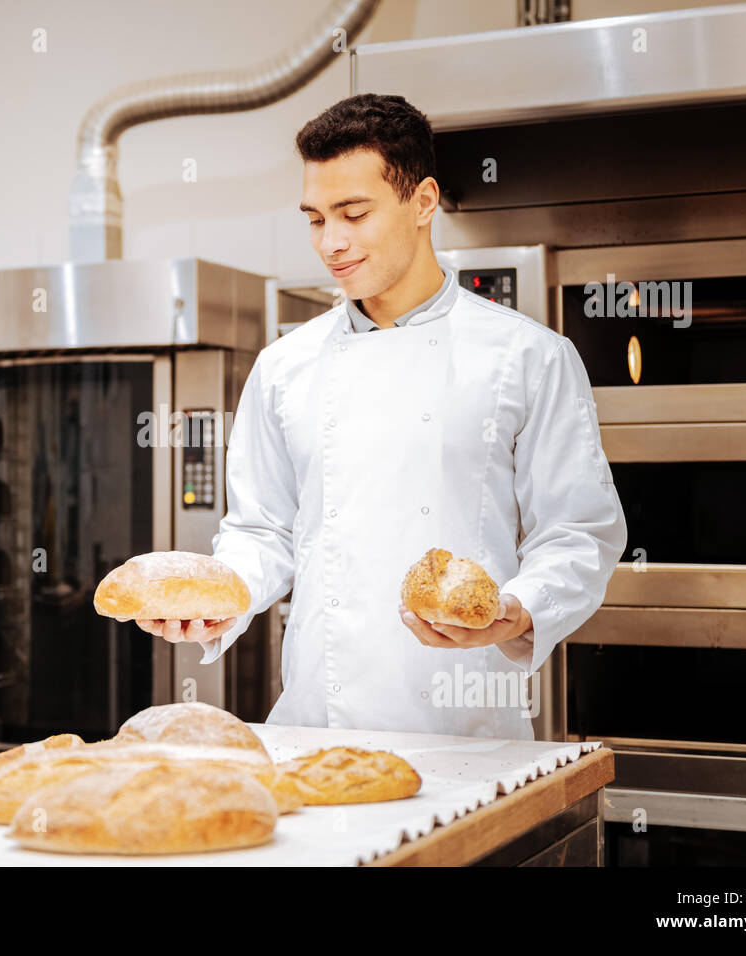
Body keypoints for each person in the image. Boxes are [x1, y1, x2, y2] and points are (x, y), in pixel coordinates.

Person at [135, 94, 626, 739]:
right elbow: (262, 530)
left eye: (354, 213)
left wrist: (518, 609)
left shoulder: (529, 357)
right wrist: (221, 596)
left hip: (466, 732)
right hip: (317, 725)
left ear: (423, 202)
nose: (330, 242)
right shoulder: (285, 366)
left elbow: (577, 533)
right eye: (314, 218)